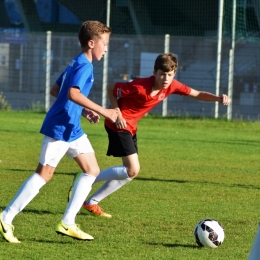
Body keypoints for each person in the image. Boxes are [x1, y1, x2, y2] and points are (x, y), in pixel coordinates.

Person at [68, 52, 231, 218]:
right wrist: (116, 112)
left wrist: (218, 98)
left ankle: (91, 202)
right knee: (133, 169)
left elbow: (197, 94)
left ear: (174, 73)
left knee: (130, 173)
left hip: (131, 127)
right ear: (155, 73)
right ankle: (86, 179)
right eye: (162, 75)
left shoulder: (172, 85)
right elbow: (111, 87)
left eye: (169, 75)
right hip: (117, 124)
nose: (166, 79)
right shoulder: (139, 86)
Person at [0, 20, 118, 243]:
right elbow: (72, 93)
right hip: (61, 127)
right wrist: (104, 111)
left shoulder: (77, 61)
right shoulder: (85, 65)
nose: (106, 48)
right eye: (105, 43)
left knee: (91, 170)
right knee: (44, 174)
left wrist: (83, 111)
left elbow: (57, 89)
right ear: (92, 43)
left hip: (72, 127)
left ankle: (68, 222)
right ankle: (6, 217)